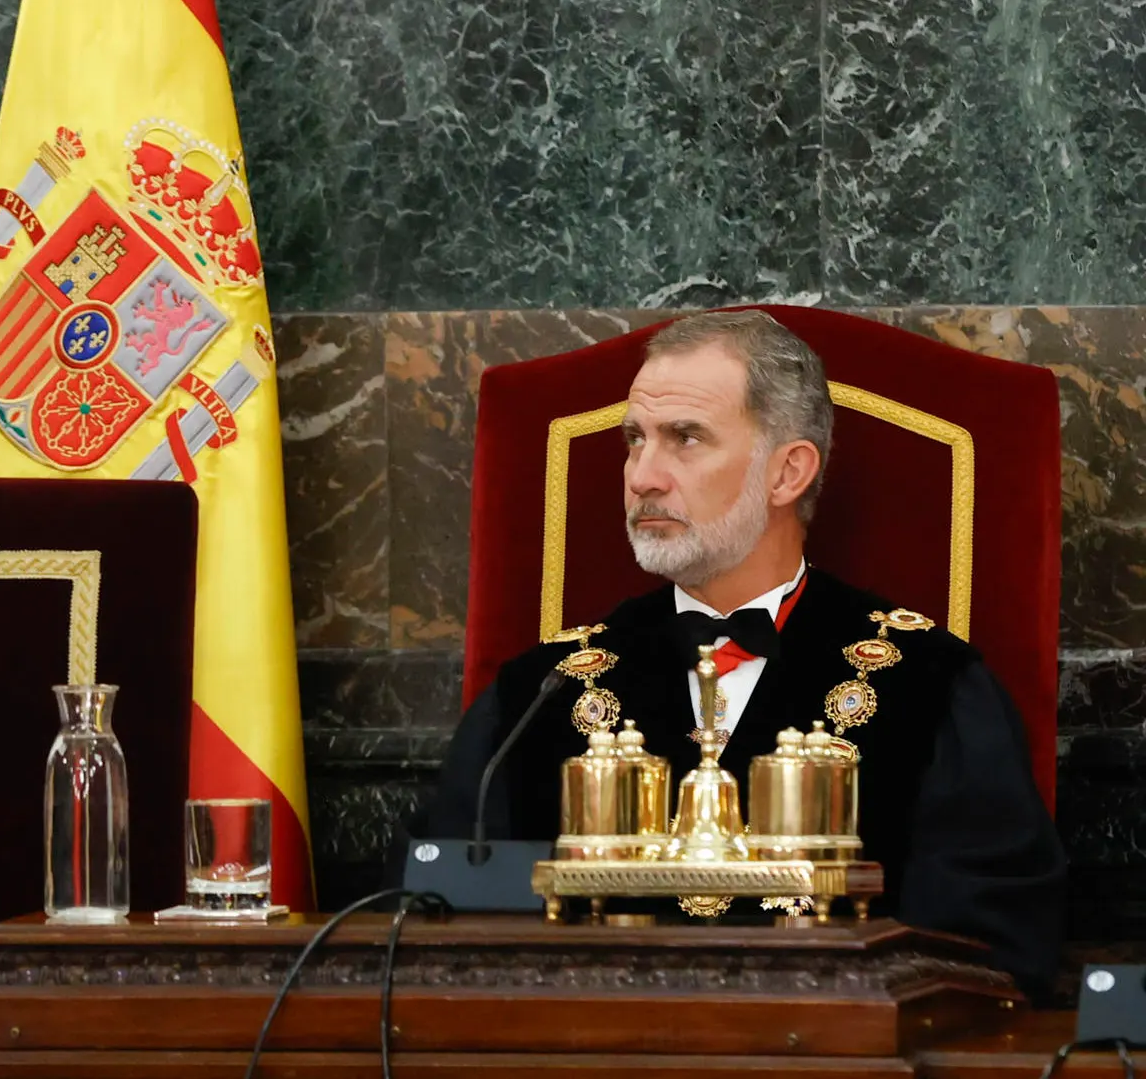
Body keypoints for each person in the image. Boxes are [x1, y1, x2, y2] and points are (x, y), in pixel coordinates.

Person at [416, 310, 1066, 993]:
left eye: (685, 439)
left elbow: (988, 954)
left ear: (788, 473)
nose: (643, 476)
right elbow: (445, 937)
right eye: (635, 441)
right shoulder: (539, 694)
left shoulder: (929, 685)